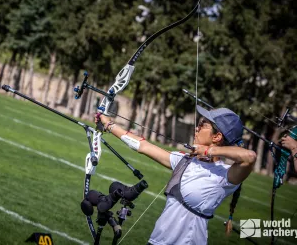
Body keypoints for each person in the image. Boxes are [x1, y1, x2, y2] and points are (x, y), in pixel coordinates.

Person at [95, 105, 257, 245]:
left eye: (203, 125)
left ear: (217, 136)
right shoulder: (184, 160)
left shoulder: (224, 175)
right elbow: (142, 146)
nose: (197, 128)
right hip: (157, 240)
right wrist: (109, 124)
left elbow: (249, 157)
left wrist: (208, 150)